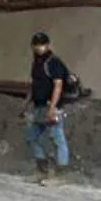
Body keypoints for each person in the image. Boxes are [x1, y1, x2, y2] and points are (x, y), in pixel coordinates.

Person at [26, 32, 72, 181]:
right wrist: (26, 104)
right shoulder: (37, 63)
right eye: (37, 45)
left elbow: (58, 85)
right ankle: (42, 170)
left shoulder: (53, 63)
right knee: (32, 137)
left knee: (57, 138)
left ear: (48, 45)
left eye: (42, 44)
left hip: (51, 106)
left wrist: (53, 108)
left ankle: (61, 174)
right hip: (39, 106)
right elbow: (34, 85)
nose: (39, 48)